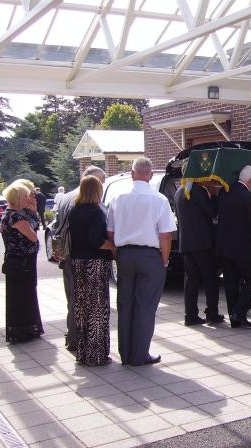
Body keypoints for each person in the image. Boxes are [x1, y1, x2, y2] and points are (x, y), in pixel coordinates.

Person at [107, 156, 176, 366]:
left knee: (125, 304)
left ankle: (126, 353)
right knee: (145, 306)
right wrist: (164, 260)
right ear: (150, 174)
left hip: (125, 255)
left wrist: (118, 252)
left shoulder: (118, 198)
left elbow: (110, 232)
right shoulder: (159, 200)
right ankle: (140, 354)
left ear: (132, 173)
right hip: (150, 256)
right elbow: (166, 235)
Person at [55, 166, 106, 352]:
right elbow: (94, 237)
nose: (103, 185)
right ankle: (80, 340)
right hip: (88, 258)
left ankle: (73, 336)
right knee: (86, 302)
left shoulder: (68, 197)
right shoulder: (90, 204)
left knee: (74, 299)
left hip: (69, 255)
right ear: (93, 182)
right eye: (102, 181)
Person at [68, 176, 115, 366]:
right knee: (97, 308)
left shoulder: (74, 210)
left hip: (78, 261)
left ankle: (83, 352)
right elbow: (96, 240)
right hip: (95, 264)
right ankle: (97, 354)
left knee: (82, 306)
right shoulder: (97, 211)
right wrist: (113, 246)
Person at [216, 165, 251, 328]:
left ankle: (234, 317)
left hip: (225, 246)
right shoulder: (248, 197)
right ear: (250, 180)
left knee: (231, 282)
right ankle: (239, 311)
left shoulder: (224, 192)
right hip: (245, 248)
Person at [174, 175, 224, 326]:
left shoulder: (179, 192)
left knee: (191, 280)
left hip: (186, 243)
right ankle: (212, 313)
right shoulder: (197, 191)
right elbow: (212, 212)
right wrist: (214, 195)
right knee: (210, 278)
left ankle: (190, 315)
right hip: (202, 243)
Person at [0, 181, 43, 343]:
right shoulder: (17, 216)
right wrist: (32, 212)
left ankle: (24, 328)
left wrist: (32, 210)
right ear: (18, 198)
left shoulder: (8, 214)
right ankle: (22, 330)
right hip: (21, 262)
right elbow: (32, 236)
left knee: (20, 296)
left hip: (15, 261)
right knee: (22, 296)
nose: (28, 198)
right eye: (25, 196)